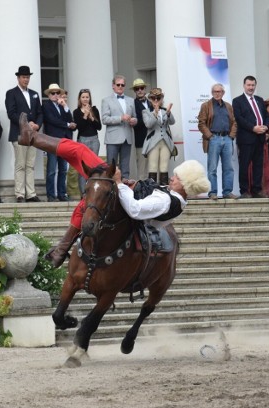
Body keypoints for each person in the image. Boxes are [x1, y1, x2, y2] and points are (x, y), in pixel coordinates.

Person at [17, 112, 209, 267]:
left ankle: (32, 137)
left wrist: (117, 182)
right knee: (81, 178)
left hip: (121, 201)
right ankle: (61, 249)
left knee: (80, 152)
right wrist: (130, 183)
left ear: (186, 185)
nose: (173, 177)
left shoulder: (167, 201)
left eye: (178, 177)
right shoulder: (173, 197)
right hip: (123, 192)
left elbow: (135, 209)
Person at [5, 65, 44, 203]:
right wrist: (27, 123)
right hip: (19, 133)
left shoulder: (34, 93)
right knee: (20, 164)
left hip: (32, 134)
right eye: (23, 77)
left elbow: (40, 112)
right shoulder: (11, 93)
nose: (26, 79)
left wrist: (37, 125)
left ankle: (31, 193)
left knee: (30, 164)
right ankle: (20, 194)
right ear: (18, 78)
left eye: (27, 77)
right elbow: (12, 114)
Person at [197, 83, 238, 200]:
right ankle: (213, 193)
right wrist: (210, 136)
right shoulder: (206, 106)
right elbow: (201, 123)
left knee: (228, 168)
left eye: (219, 91)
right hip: (214, 139)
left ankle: (227, 192)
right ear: (212, 93)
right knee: (212, 168)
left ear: (223, 93)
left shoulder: (228, 106)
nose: (217, 93)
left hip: (227, 139)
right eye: (214, 91)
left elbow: (234, 122)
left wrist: (231, 136)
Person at [232, 75, 268, 198]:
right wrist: (253, 128)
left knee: (258, 165)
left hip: (260, 138)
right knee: (244, 166)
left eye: (253, 85)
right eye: (248, 85)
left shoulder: (259, 99)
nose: (251, 87)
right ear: (244, 85)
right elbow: (239, 118)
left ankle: (257, 190)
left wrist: (266, 127)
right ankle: (244, 191)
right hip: (246, 138)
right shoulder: (237, 101)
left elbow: (266, 116)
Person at [42, 83, 75, 202]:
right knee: (51, 169)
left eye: (57, 93)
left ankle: (62, 193)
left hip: (64, 140)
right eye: (53, 93)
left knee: (63, 169)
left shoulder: (62, 106)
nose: (55, 95)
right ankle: (51, 194)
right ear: (49, 95)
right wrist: (67, 124)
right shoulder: (46, 106)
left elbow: (70, 119)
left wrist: (65, 106)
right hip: (52, 141)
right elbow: (52, 120)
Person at [101, 74, 137, 180]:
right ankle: (111, 188)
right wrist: (120, 118)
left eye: (123, 85)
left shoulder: (131, 100)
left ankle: (124, 187)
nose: (120, 87)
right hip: (113, 137)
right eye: (118, 84)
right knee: (111, 166)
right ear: (113, 85)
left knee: (125, 166)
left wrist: (134, 121)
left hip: (127, 136)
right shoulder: (106, 100)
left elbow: (135, 116)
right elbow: (105, 119)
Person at [142, 88, 176, 185]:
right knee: (152, 167)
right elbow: (148, 124)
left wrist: (168, 113)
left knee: (164, 167)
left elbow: (172, 122)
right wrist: (155, 113)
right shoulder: (146, 111)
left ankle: (164, 189)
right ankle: (152, 190)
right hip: (153, 142)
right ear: (150, 99)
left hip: (165, 141)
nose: (156, 100)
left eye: (158, 98)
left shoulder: (165, 110)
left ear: (161, 99)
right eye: (153, 98)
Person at [73, 88, 102, 196]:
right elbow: (80, 127)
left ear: (90, 98)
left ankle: (92, 192)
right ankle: (83, 193)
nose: (85, 99)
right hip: (82, 140)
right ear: (80, 99)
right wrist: (84, 116)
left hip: (94, 139)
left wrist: (91, 117)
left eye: (87, 97)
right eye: (83, 97)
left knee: (94, 167)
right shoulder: (76, 112)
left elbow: (99, 127)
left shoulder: (94, 109)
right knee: (83, 168)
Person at [132, 78, 152, 180]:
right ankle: (141, 190)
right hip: (141, 139)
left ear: (145, 89)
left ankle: (151, 189)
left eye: (142, 88)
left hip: (153, 139)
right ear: (135, 91)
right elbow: (135, 122)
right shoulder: (133, 104)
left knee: (151, 167)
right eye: (137, 88)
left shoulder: (151, 102)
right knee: (142, 166)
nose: (139, 90)